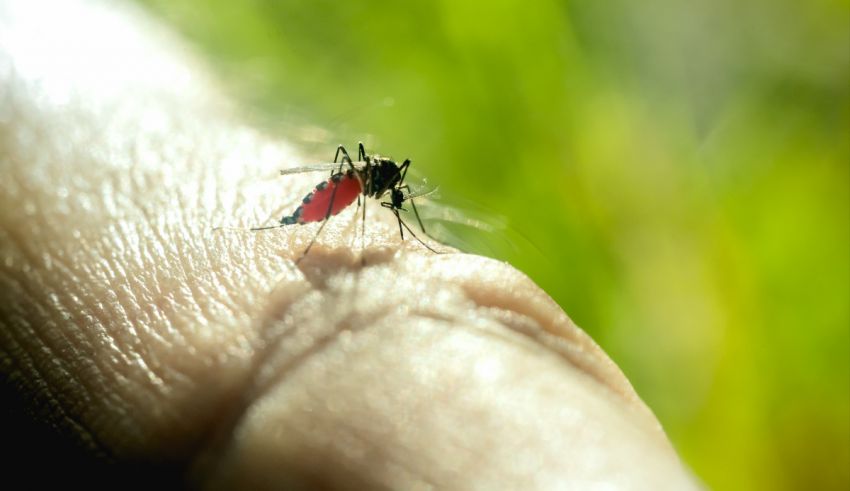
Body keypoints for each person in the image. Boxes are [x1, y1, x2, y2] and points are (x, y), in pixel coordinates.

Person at [0, 0, 699, 488]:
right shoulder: (366, 189)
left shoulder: (378, 188)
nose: (395, 197)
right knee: (353, 179)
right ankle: (306, 206)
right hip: (322, 209)